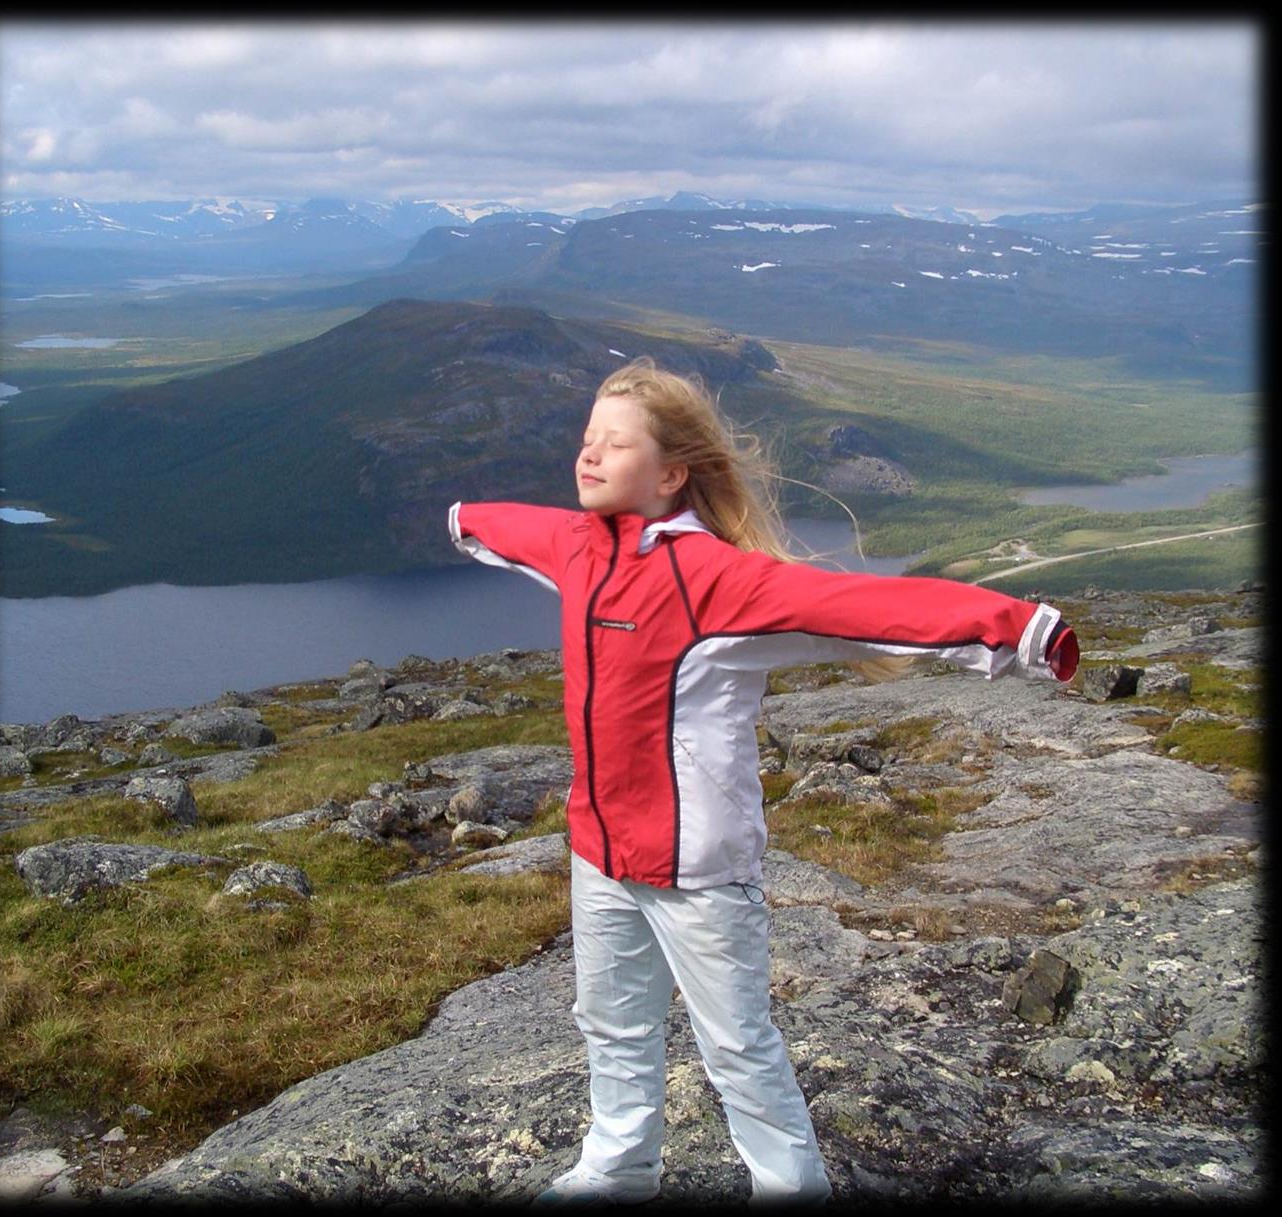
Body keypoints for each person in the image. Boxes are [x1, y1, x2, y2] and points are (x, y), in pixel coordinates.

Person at [448, 357, 1078, 1206]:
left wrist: (1020, 629)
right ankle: (617, 1168)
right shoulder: (577, 547)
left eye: (612, 444)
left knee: (737, 1046)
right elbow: (510, 526)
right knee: (610, 1022)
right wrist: (460, 520)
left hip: (698, 867)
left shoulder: (715, 580)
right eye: (585, 440)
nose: (587, 457)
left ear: (671, 474)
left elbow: (862, 605)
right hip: (598, 850)